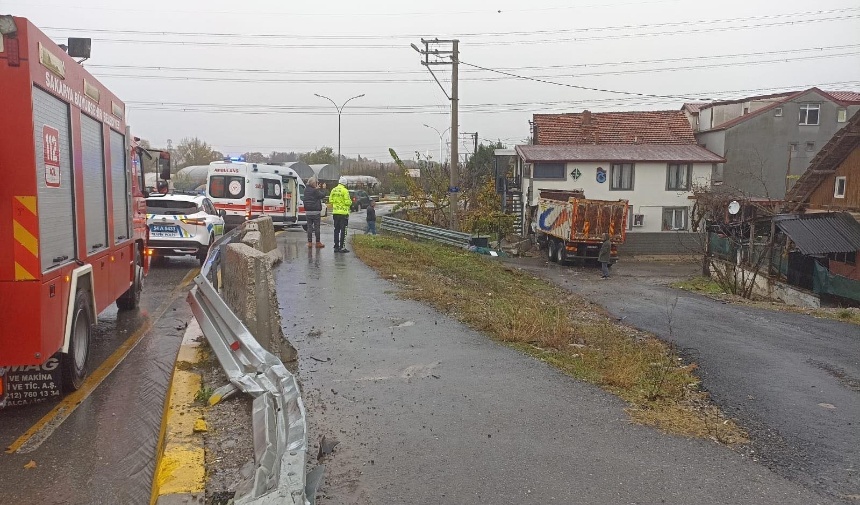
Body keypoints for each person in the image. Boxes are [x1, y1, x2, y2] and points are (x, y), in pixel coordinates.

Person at [329, 176, 352, 253]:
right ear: (345, 184)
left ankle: (336, 246)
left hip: (335, 213)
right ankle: (342, 247)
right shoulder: (345, 191)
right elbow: (347, 202)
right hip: (343, 213)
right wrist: (350, 202)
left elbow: (330, 200)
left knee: (336, 230)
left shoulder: (333, 190)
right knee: (343, 231)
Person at [303, 178, 325, 248]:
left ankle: (309, 242)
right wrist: (323, 189)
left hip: (308, 211)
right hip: (315, 211)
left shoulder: (305, 190)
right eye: (316, 183)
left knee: (309, 227)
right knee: (317, 227)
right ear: (313, 184)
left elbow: (313, 193)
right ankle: (318, 242)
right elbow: (322, 195)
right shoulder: (315, 191)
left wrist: (316, 189)